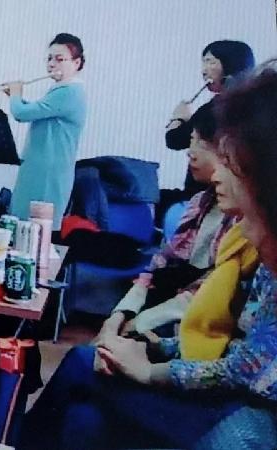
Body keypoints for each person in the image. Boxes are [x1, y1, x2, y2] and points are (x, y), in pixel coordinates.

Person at [17, 64, 277, 450]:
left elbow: (246, 368)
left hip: (237, 404)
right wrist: (143, 343)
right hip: (196, 361)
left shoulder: (251, 243)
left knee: (81, 369)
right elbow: (226, 339)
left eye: (228, 159)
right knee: (83, 418)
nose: (216, 172)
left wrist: (150, 363)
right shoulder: (217, 218)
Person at [99, 103, 235, 339]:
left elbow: (206, 294)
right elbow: (159, 265)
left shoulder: (242, 225)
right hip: (160, 317)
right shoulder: (200, 203)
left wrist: (137, 325)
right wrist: (120, 315)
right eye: (191, 140)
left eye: (202, 144)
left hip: (190, 333)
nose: (190, 152)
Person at [160, 40, 255, 218]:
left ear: (230, 64)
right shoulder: (253, 105)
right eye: (203, 63)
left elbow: (174, 139)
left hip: (205, 196)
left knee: (157, 202)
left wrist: (178, 117)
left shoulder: (217, 107)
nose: (204, 70)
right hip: (229, 195)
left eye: (211, 62)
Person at [5, 33, 87, 231]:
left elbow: (21, 114)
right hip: (38, 167)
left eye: (59, 59)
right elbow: (39, 111)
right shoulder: (61, 90)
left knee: (36, 230)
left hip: (49, 172)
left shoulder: (70, 92)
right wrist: (16, 98)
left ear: (76, 63)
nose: (52, 64)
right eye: (49, 58)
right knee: (22, 225)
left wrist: (16, 95)